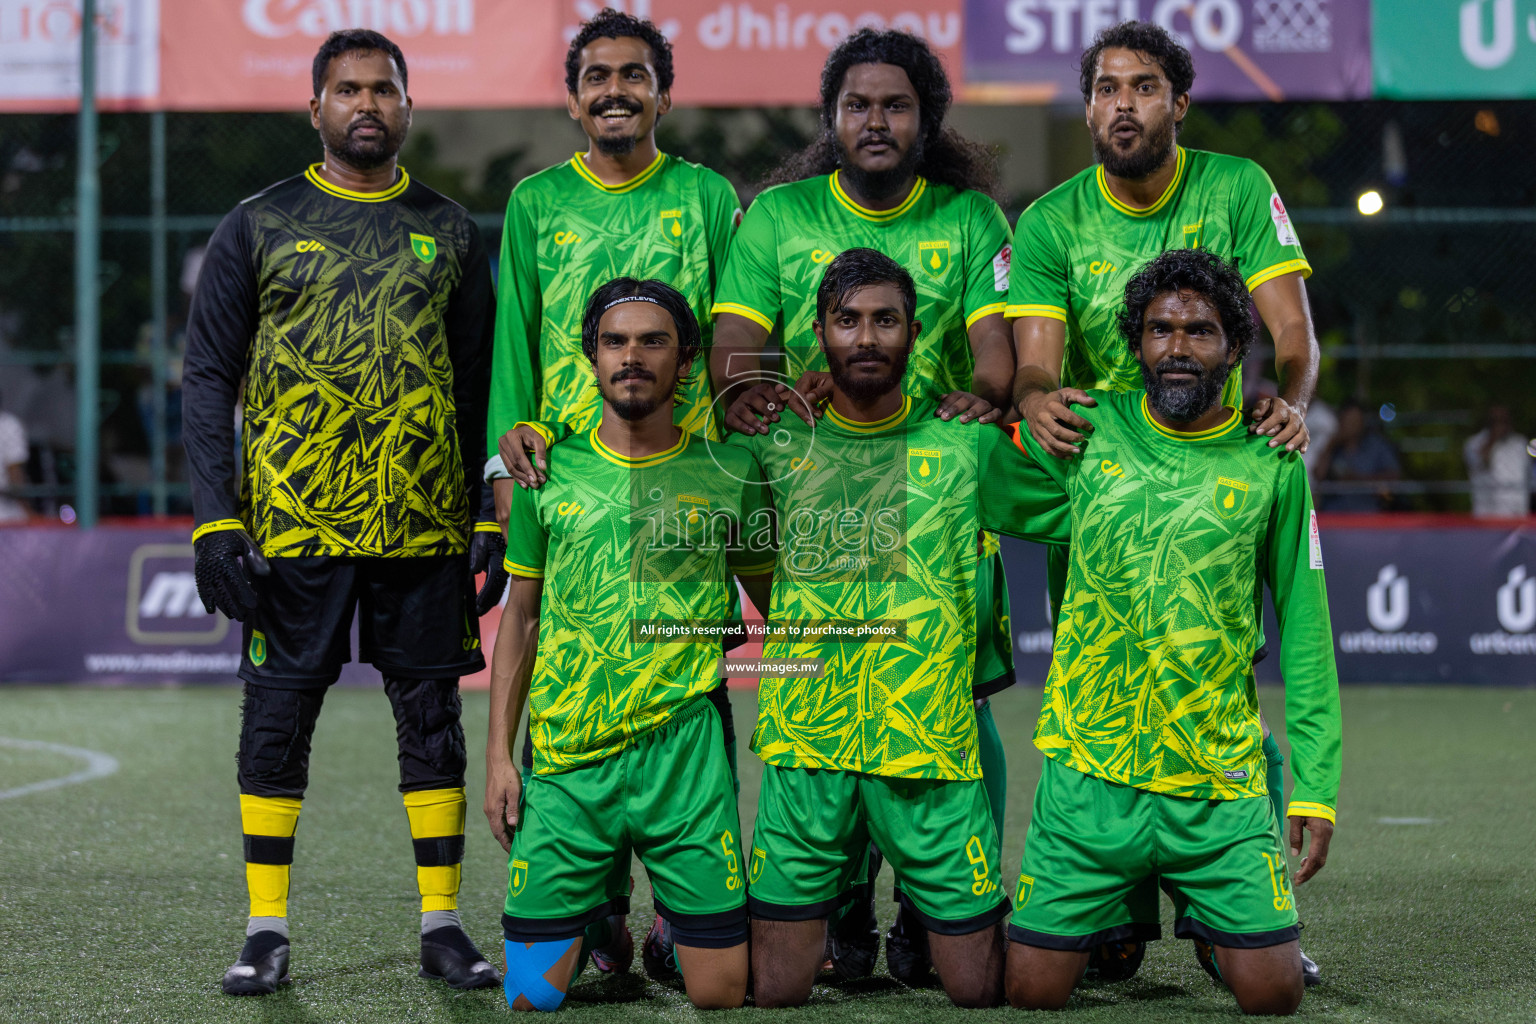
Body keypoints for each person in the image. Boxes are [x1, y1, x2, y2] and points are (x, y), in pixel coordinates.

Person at [182, 29, 498, 996]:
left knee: (431, 724)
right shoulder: (257, 223)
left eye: (385, 90)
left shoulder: (449, 229)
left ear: (408, 107)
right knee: (275, 723)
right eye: (348, 90)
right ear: (314, 107)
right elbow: (207, 376)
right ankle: (264, 930)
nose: (368, 104)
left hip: (424, 528)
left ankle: (442, 925)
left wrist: (486, 506)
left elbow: (480, 380)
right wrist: (213, 516)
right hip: (289, 530)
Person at [1007, 20, 1323, 983]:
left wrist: (1288, 412)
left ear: (1178, 103)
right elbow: (1035, 366)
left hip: (1217, 470)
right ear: (1089, 103)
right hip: (1102, 478)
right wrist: (1034, 403)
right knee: (1102, 681)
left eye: (1145, 87)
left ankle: (1234, 886)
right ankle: (1112, 904)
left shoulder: (1235, 188)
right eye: (1106, 88)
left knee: (1220, 670)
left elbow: (1293, 337)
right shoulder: (1052, 219)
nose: (1123, 105)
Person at [707, 28, 1018, 980]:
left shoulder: (969, 218)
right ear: (831, 118)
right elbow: (732, 351)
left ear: (925, 121)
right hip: (823, 493)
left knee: (959, 703)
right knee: (824, 695)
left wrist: (985, 397)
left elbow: (997, 354)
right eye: (857, 105)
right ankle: (838, 902)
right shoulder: (779, 215)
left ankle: (937, 905)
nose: (874, 120)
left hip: (932, 489)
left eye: (894, 105)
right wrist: (760, 392)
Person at [999, 249, 1341, 1016]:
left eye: (1200, 331)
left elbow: (1308, 631)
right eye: (1159, 329)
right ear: (1136, 340)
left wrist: (1315, 787)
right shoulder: (1084, 430)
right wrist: (982, 411)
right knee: (1029, 991)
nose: (1177, 348)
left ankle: (1215, 930)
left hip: (1217, 780)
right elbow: (969, 481)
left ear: (1233, 347)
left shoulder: (1271, 460)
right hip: (1090, 770)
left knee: (1273, 995)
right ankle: (1118, 913)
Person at [484, 8, 745, 976]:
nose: (614, 91)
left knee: (686, 670)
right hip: (568, 474)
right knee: (571, 662)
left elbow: (736, 330)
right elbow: (515, 335)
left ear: (663, 94)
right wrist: (505, 473)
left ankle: (685, 903)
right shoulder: (536, 201)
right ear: (572, 95)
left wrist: (735, 452)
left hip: (684, 475)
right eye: (596, 76)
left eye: (634, 75)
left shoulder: (709, 195)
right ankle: (590, 908)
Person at [740, 248, 1057, 1008]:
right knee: (772, 991)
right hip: (805, 749)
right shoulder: (777, 443)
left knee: (980, 991)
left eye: (885, 320)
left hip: (931, 752)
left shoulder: (965, 445)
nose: (867, 338)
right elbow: (746, 553)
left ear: (915, 332)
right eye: (847, 321)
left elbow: (1085, 500)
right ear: (819, 333)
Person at [484, 279, 770, 1011]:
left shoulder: (732, 471)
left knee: (721, 996)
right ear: (591, 356)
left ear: (687, 360)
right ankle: (599, 923)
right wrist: (496, 760)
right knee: (530, 1000)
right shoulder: (546, 477)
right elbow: (520, 620)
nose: (632, 356)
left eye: (653, 341)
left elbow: (778, 607)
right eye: (615, 341)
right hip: (568, 764)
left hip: (685, 760)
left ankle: (669, 931)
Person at [1313, 399, 1401, 512]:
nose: (1351, 426)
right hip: (1333, 514)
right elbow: (1318, 475)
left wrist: (1357, 480)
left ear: (1362, 422)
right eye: (1347, 421)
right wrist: (1331, 444)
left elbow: (1394, 477)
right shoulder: (1332, 447)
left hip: (1367, 514)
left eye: (1355, 421)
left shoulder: (1377, 446)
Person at [1463, 405, 1530, 517]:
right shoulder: (1474, 443)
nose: (1501, 425)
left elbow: (1528, 474)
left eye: (1504, 420)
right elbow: (1480, 462)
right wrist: (1492, 439)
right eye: (1496, 421)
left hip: (1517, 511)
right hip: (1487, 512)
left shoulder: (1520, 443)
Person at [0, 395, 28, 522]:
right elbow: (14, 472)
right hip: (5, 515)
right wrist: (26, 508)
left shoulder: (8, 424)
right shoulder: (8, 425)